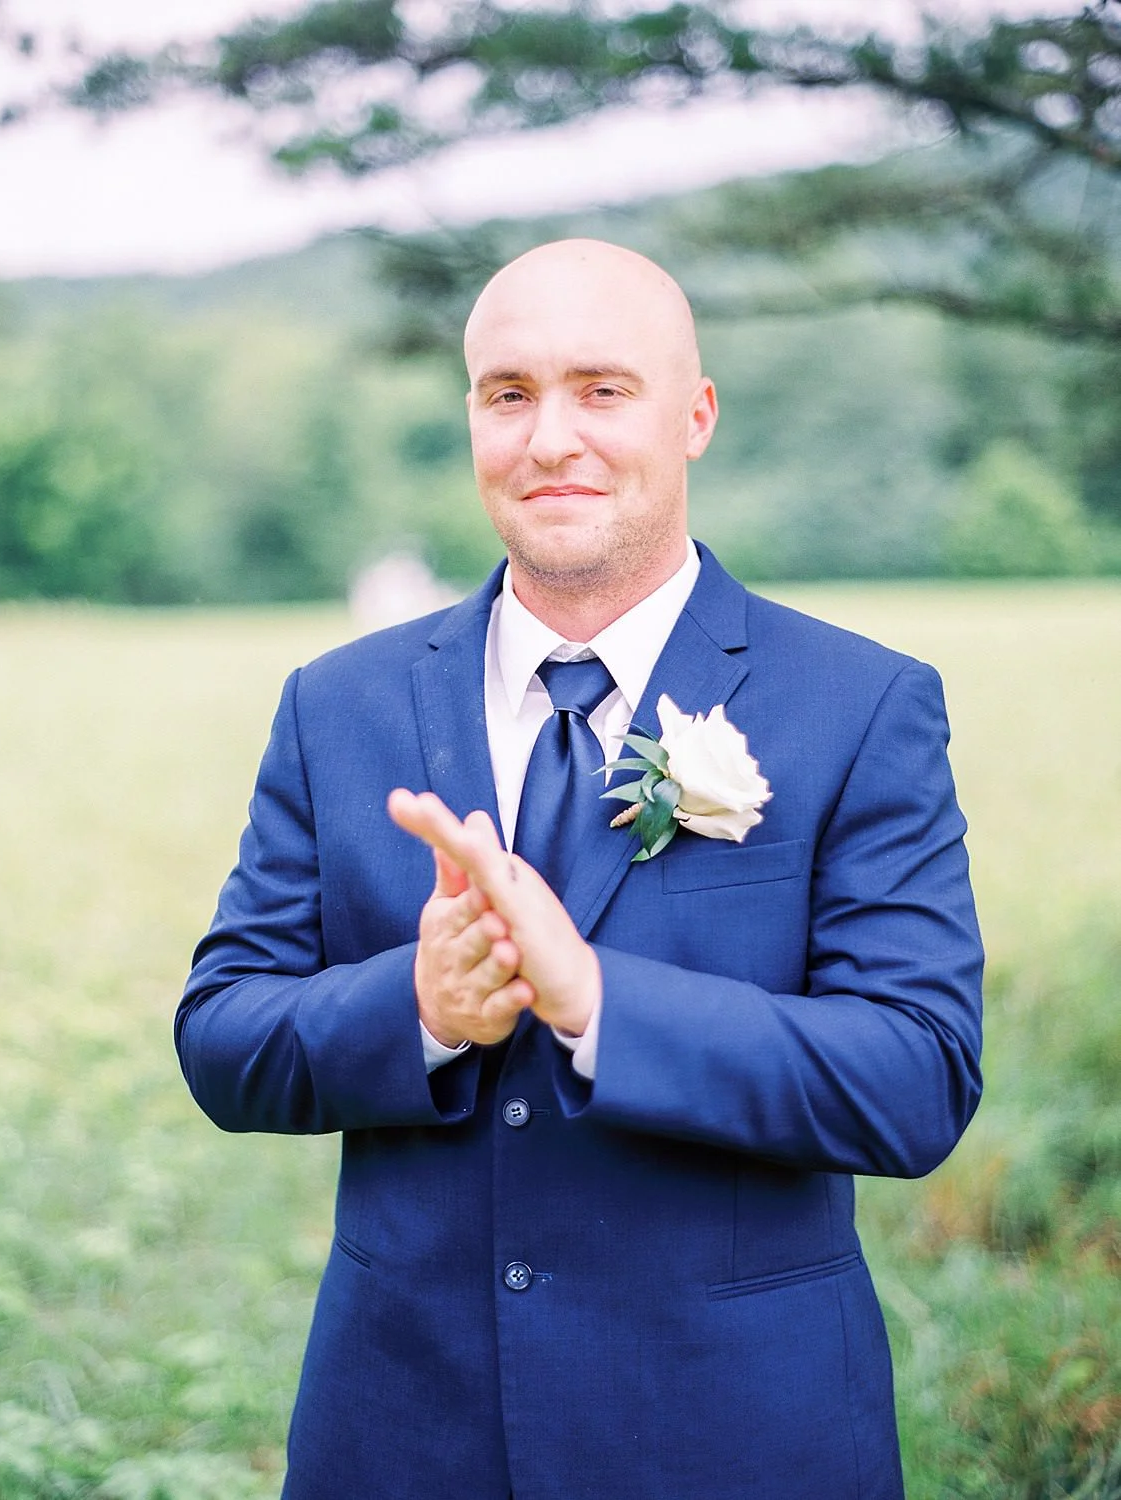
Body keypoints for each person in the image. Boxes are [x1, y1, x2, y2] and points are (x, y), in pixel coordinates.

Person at [177, 239, 983, 1500]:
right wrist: (421, 1010)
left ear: (694, 414)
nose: (550, 437)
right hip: (402, 1437)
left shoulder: (860, 703)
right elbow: (223, 1035)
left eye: (602, 389)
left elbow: (916, 1078)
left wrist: (597, 1003)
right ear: (471, 420)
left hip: (738, 1438)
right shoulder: (336, 707)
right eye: (509, 394)